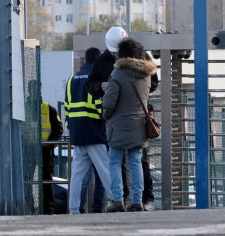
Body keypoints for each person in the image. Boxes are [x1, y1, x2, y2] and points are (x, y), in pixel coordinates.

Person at [101, 37, 157, 213]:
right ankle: (137, 202)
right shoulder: (147, 75)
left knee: (115, 162)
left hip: (119, 126)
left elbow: (109, 102)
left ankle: (117, 201)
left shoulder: (117, 74)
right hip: (139, 125)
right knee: (136, 162)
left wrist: (105, 116)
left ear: (123, 54)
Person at [65, 46, 113, 214]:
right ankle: (116, 202)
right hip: (94, 131)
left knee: (77, 174)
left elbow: (67, 108)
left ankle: (73, 209)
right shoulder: (95, 80)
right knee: (105, 170)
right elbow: (100, 106)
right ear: (97, 61)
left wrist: (73, 127)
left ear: (85, 60)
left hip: (77, 132)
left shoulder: (72, 80)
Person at [41, 100, 63, 214]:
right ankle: (30, 205)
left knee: (47, 180)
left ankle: (48, 209)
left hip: (45, 150)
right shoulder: (25, 109)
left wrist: (49, 145)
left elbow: (58, 129)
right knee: (27, 180)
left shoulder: (49, 109)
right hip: (29, 149)